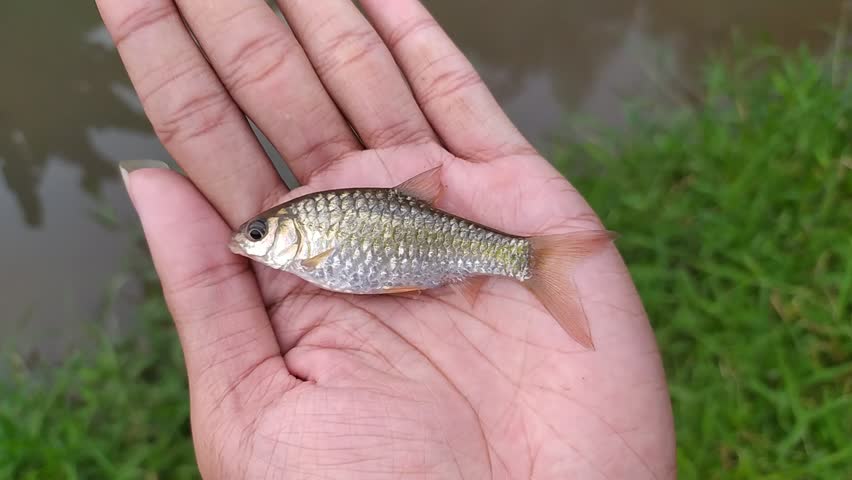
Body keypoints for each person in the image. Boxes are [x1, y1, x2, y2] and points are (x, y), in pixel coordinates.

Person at [95, 0, 676, 477]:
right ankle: (529, 259)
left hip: (457, 248)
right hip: (426, 249)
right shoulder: (310, 250)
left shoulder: (311, 248)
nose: (248, 241)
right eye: (254, 233)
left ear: (290, 232)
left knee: (516, 254)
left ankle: (531, 260)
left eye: (258, 233)